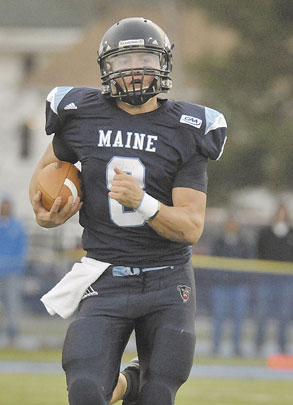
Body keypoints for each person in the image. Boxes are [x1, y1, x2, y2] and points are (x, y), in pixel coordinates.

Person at [28, 17, 227, 405]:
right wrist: (45, 212)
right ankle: (126, 383)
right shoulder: (79, 114)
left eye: (145, 59)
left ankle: (134, 382)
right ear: (107, 68)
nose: (135, 70)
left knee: (157, 393)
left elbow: (190, 227)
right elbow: (43, 176)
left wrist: (144, 202)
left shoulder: (188, 128)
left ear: (163, 65)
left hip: (167, 281)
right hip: (105, 274)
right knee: (85, 389)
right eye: (124, 61)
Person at [255, 203, 293, 355]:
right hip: (267, 278)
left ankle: (282, 346)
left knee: (284, 315)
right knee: (262, 313)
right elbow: (259, 252)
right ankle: (259, 346)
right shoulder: (266, 233)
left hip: (285, 279)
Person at [210, 215, 252, 356]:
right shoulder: (218, 243)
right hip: (221, 286)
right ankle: (215, 347)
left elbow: (248, 262)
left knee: (238, 319)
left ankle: (237, 347)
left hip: (238, 286)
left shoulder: (243, 243)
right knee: (219, 318)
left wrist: (241, 278)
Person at [0, 196, 28, 346]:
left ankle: (13, 334)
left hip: (12, 273)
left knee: (12, 304)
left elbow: (22, 248)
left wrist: (17, 266)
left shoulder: (17, 226)